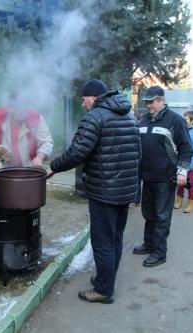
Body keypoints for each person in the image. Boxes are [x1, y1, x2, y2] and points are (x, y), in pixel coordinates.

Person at [47, 79, 140, 304]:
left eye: (84, 98)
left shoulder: (95, 117)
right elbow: (137, 153)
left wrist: (53, 167)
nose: (83, 103)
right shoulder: (129, 116)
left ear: (94, 97)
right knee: (115, 238)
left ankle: (103, 290)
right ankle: (105, 280)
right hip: (124, 190)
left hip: (104, 191)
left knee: (103, 242)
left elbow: (78, 151)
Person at [132, 85, 193, 267]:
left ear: (161, 100)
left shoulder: (175, 121)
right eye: (147, 102)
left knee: (162, 216)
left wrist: (182, 171)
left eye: (151, 102)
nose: (148, 105)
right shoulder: (143, 121)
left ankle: (160, 252)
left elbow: (186, 148)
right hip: (147, 176)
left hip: (165, 178)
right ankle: (149, 243)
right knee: (148, 213)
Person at [0, 94, 53, 168]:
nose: (16, 112)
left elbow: (46, 142)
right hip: (1, 168)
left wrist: (39, 158)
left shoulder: (35, 118)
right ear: (8, 107)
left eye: (20, 108)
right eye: (13, 108)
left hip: (29, 168)